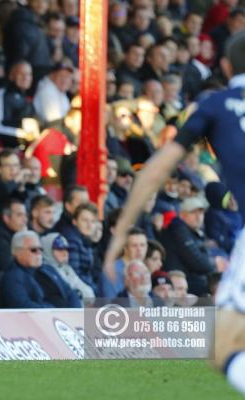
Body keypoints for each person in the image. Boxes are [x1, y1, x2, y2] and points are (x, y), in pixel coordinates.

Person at [104, 32, 245, 394]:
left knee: (224, 342)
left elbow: (153, 170)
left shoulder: (215, 105)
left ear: (226, 66)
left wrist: (120, 232)